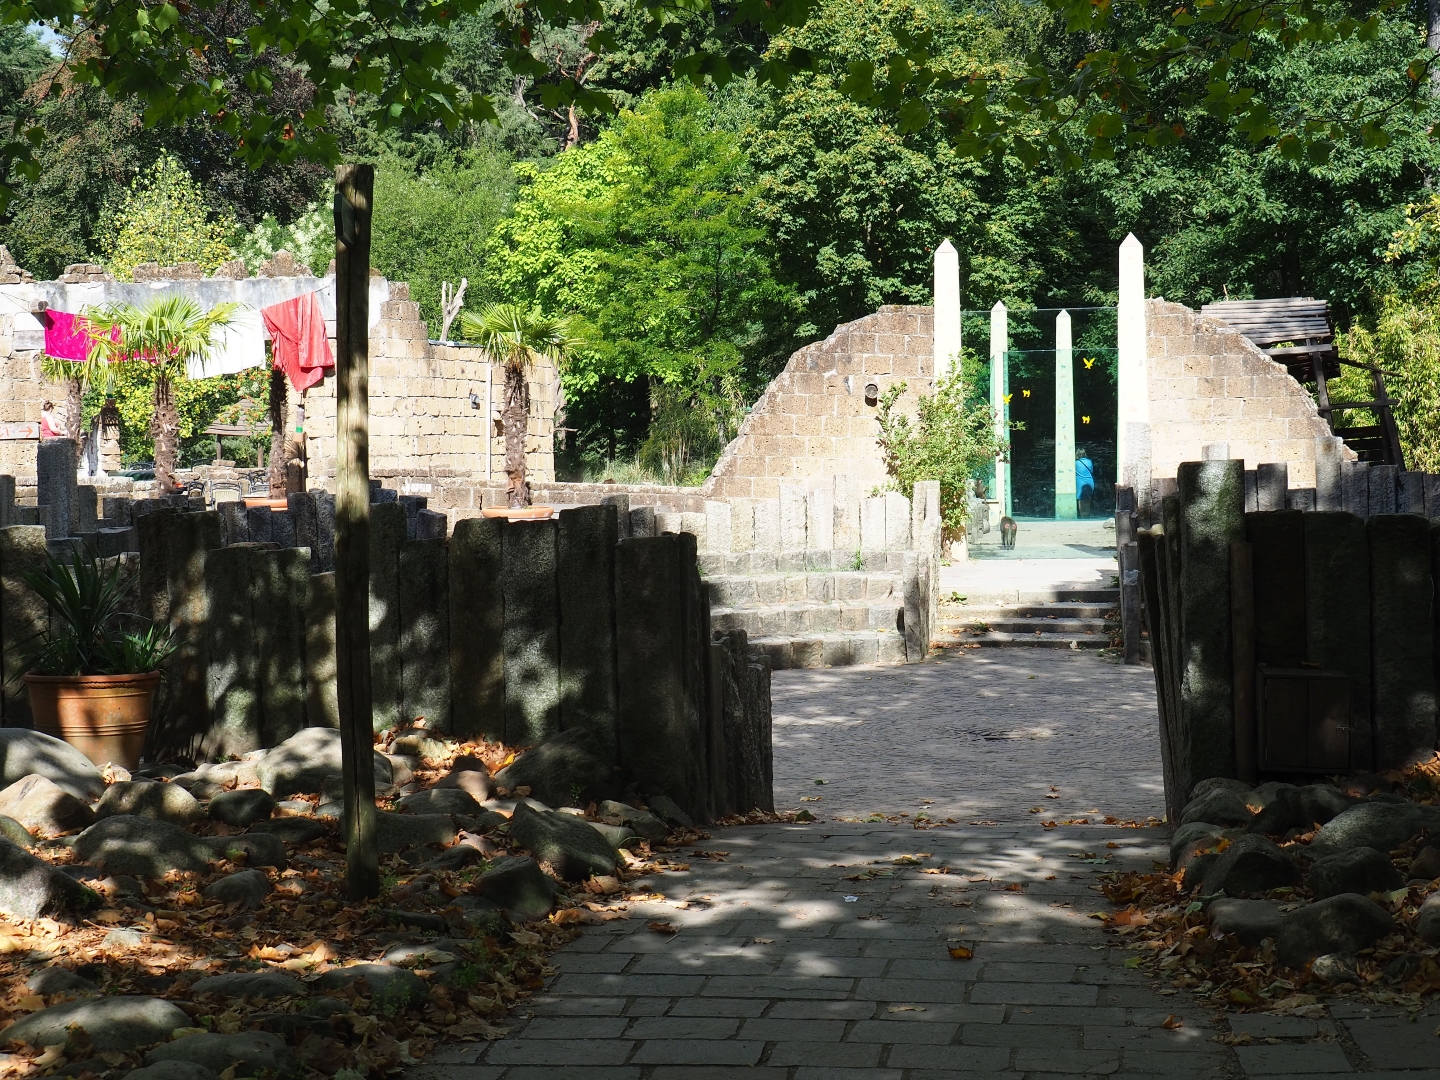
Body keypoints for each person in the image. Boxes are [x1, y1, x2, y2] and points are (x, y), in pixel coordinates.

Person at [1076, 447, 1095, 517]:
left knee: (1081, 502)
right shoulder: (1089, 461)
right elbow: (1091, 471)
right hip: (1090, 483)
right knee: (1087, 501)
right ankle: (1087, 516)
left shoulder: (1075, 463)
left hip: (1081, 484)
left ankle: (1083, 517)